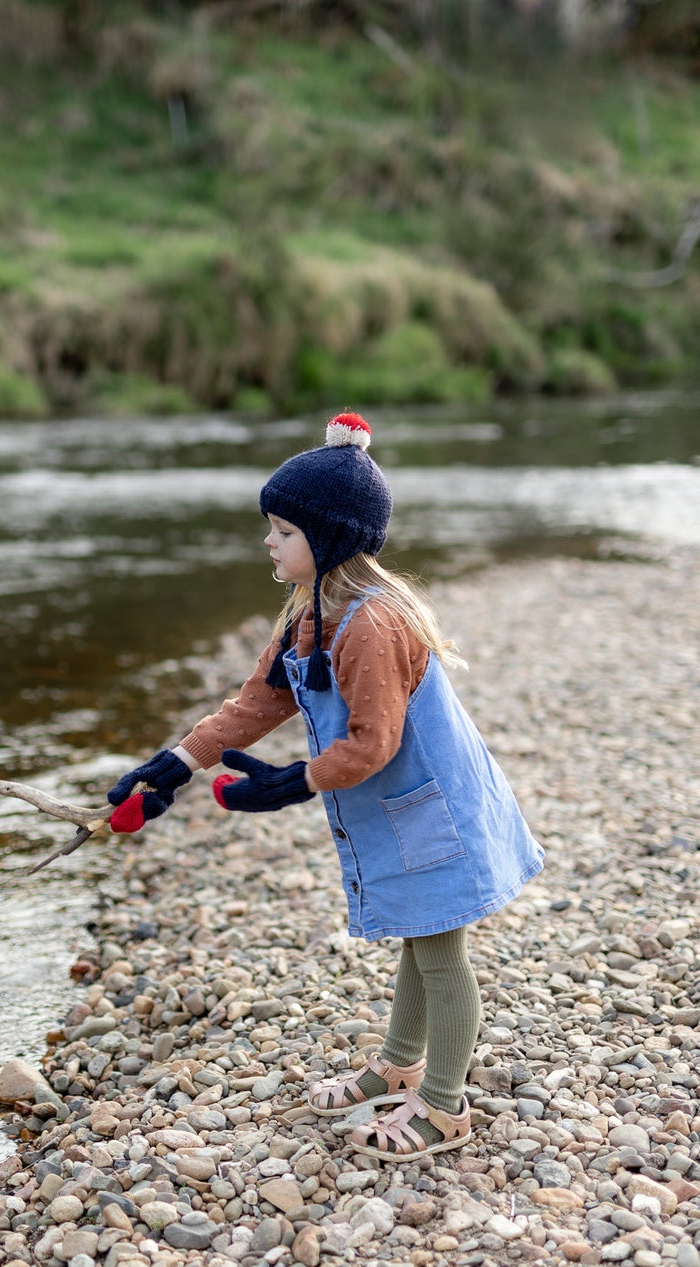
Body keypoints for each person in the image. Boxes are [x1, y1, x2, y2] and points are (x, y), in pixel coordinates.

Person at [107, 412, 543, 1162]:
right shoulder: (311, 614)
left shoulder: (372, 626)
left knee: (441, 953)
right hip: (396, 812)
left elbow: (374, 743)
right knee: (419, 936)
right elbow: (257, 703)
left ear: (330, 535)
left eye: (281, 529)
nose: (269, 542)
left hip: (434, 811)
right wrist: (178, 764)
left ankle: (443, 1106)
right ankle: (399, 1063)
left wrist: (292, 781)